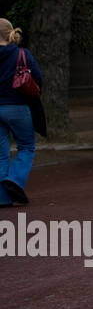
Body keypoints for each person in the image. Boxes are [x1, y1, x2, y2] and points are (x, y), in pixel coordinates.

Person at [0, 20, 42, 205]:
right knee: (26, 146)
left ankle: (2, 198)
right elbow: (38, 79)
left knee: (0, 153)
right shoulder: (22, 54)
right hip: (17, 106)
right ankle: (15, 180)